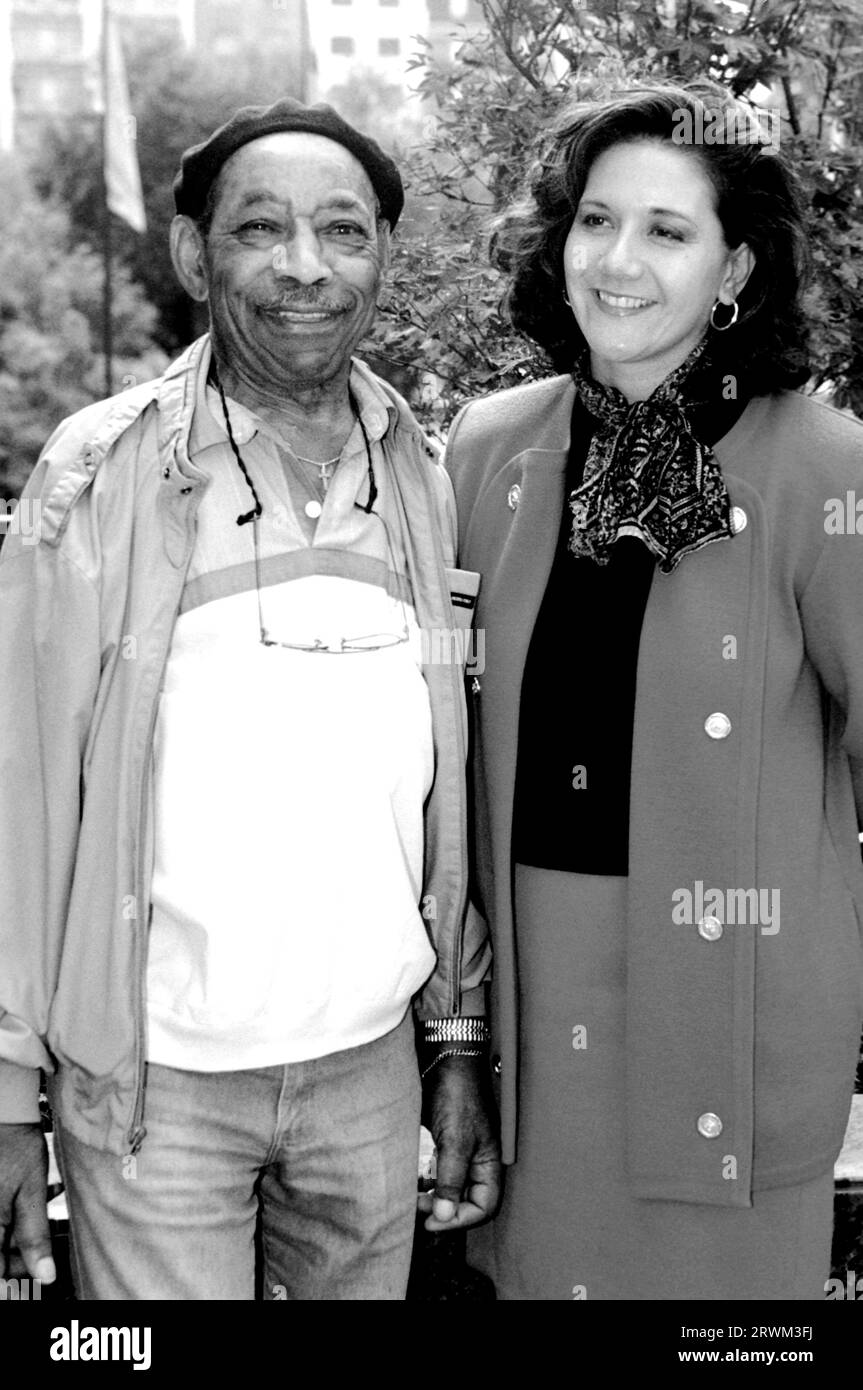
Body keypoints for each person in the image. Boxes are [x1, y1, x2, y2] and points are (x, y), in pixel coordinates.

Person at [0, 98, 500, 1302]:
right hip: (152, 1089)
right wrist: (10, 1084)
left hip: (369, 1077)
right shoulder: (101, 472)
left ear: (383, 253)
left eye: (342, 230)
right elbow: (21, 788)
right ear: (192, 255)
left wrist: (457, 1041)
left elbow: (441, 786)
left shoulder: (425, 475)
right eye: (259, 228)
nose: (303, 266)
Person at [445, 80, 863, 1301]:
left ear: (733, 269)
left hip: (724, 1007)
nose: (616, 260)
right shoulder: (485, 445)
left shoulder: (820, 465)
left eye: (666, 232)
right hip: (531, 1015)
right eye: (593, 219)